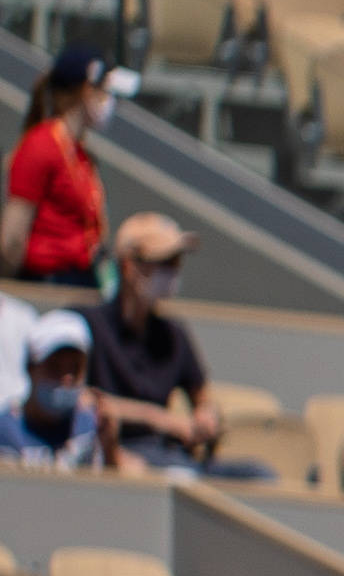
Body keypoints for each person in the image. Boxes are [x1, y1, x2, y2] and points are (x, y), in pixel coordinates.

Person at [84, 214, 225, 472]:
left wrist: (207, 417)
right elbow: (79, 398)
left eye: (176, 262)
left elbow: (203, 397)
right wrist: (157, 418)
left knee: (258, 473)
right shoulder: (87, 324)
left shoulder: (174, 334)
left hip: (172, 453)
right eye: (164, 262)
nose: (172, 271)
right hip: (114, 452)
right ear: (128, 267)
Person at [6, 45, 128, 286]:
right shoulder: (40, 145)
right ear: (86, 91)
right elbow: (12, 237)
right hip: (48, 284)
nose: (110, 101)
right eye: (105, 91)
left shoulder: (79, 152)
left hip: (79, 279)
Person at [0, 312, 118, 470]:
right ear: (30, 367)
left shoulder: (90, 425)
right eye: (54, 367)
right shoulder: (5, 431)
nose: (66, 378)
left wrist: (110, 448)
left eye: (75, 368)